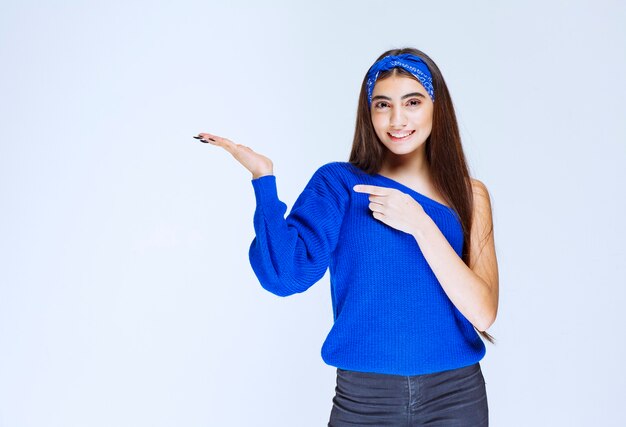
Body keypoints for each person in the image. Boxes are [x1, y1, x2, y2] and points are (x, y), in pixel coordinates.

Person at [195, 47, 499, 426]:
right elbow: (284, 276)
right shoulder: (340, 184)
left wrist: (420, 224)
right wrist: (263, 180)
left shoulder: (470, 194)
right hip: (364, 401)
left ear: (437, 107)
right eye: (382, 105)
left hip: (456, 398)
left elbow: (484, 313)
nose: (397, 118)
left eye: (413, 102)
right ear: (368, 113)